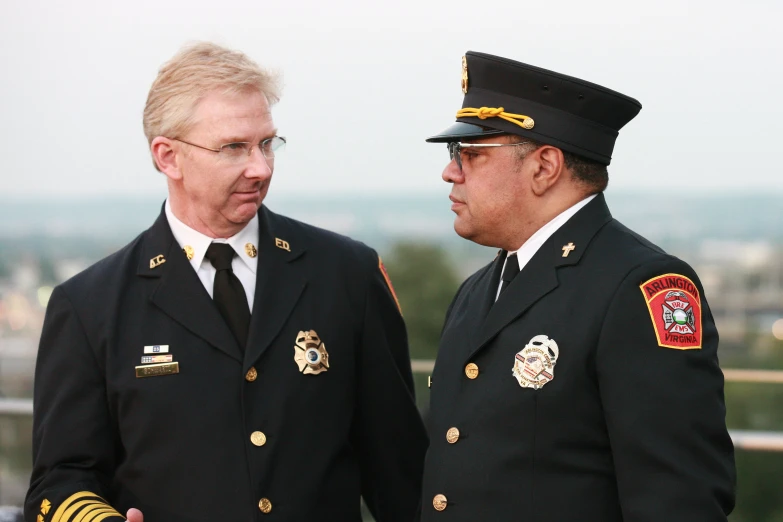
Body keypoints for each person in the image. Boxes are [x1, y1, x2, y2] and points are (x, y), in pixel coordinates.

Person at [25, 42, 427, 522]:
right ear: (168, 157)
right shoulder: (90, 305)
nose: (260, 167)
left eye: (266, 143)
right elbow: (59, 481)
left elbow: (402, 474)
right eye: (233, 147)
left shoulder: (347, 275)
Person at [420, 51, 735, 521]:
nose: (451, 172)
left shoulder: (639, 286)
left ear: (544, 167)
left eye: (471, 155)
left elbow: (678, 498)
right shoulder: (478, 290)